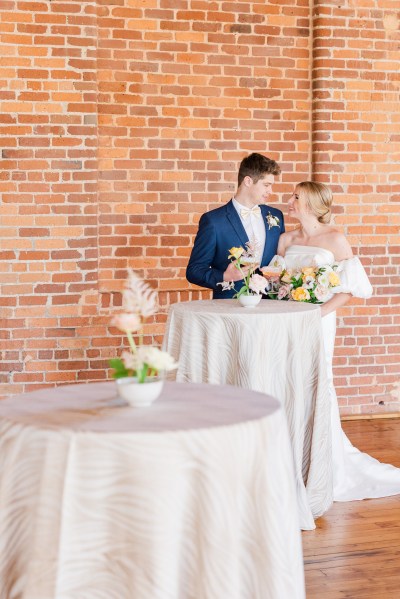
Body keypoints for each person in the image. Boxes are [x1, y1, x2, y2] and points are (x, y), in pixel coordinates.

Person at [272, 180, 400, 501]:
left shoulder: (335, 239)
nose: (290, 200)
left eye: (296, 197)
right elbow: (277, 286)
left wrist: (317, 314)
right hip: (287, 321)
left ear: (312, 204)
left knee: (317, 381)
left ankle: (324, 462)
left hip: (319, 321)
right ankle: (290, 459)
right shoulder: (286, 239)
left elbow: (349, 289)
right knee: (288, 382)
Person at [186, 153, 285, 298]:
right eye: (266, 185)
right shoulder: (214, 221)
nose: (270, 191)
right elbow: (194, 270)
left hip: (270, 307)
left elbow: (280, 259)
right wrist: (224, 276)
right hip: (230, 307)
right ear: (248, 181)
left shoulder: (276, 216)